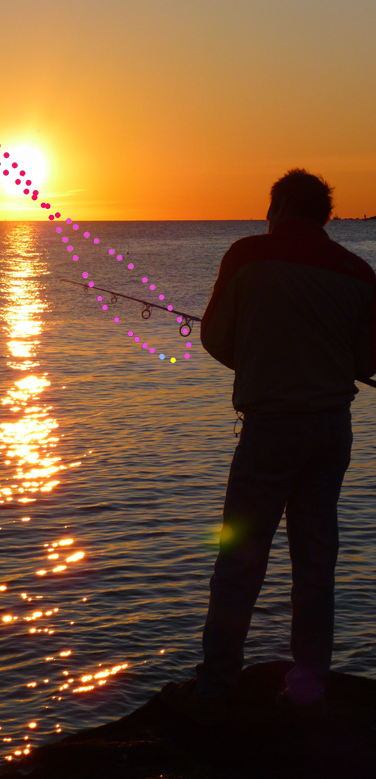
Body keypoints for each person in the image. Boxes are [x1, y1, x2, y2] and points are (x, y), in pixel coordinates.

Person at [161, 169, 376, 724]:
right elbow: (369, 361)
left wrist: (261, 362)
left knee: (239, 558)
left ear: (279, 207)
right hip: (331, 431)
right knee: (315, 560)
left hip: (269, 429)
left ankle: (216, 687)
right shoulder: (359, 272)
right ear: (324, 215)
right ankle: (309, 689)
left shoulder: (246, 255)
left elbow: (213, 337)